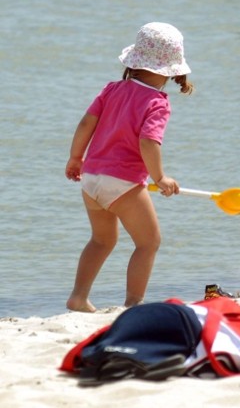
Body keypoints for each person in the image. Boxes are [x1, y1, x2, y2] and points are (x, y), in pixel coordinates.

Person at [65, 22, 195, 313]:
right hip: (122, 182)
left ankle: (78, 296)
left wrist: (75, 157)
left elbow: (86, 122)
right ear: (172, 69)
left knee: (101, 240)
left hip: (91, 178)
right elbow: (149, 142)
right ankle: (133, 303)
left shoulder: (112, 89)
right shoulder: (157, 102)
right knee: (148, 243)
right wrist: (160, 177)